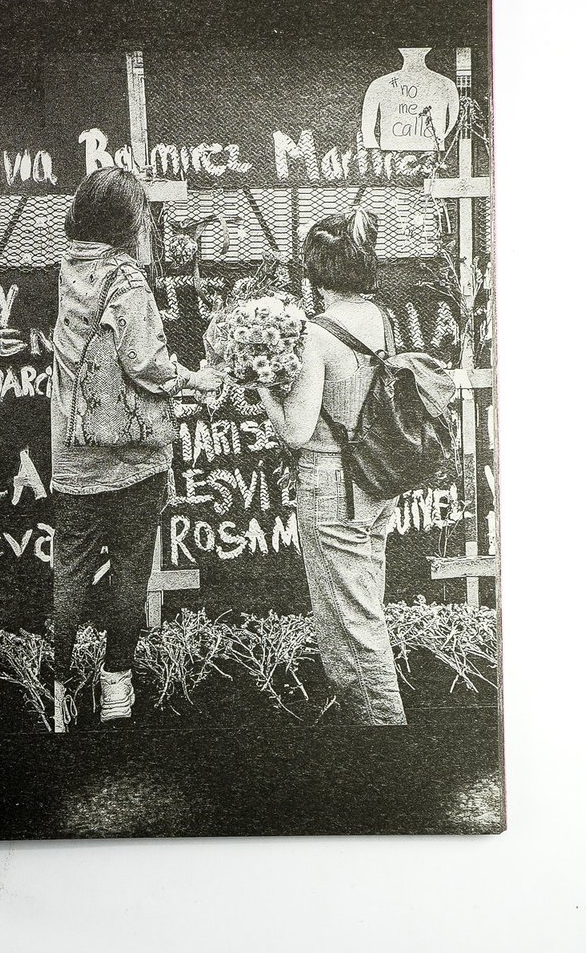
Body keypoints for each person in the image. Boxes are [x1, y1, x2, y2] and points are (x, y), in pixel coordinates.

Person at [49, 168, 222, 728]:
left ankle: (56, 689)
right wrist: (195, 378)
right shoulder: (126, 280)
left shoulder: (69, 269)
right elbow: (145, 363)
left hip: (74, 456)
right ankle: (116, 685)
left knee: (69, 572)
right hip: (133, 457)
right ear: (129, 222)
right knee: (129, 570)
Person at [255, 209, 406, 725]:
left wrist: (262, 388)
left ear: (316, 271)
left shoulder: (317, 336)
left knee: (354, 631)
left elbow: (296, 432)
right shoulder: (380, 317)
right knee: (362, 614)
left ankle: (386, 740)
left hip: (331, 488)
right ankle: (367, 732)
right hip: (375, 482)